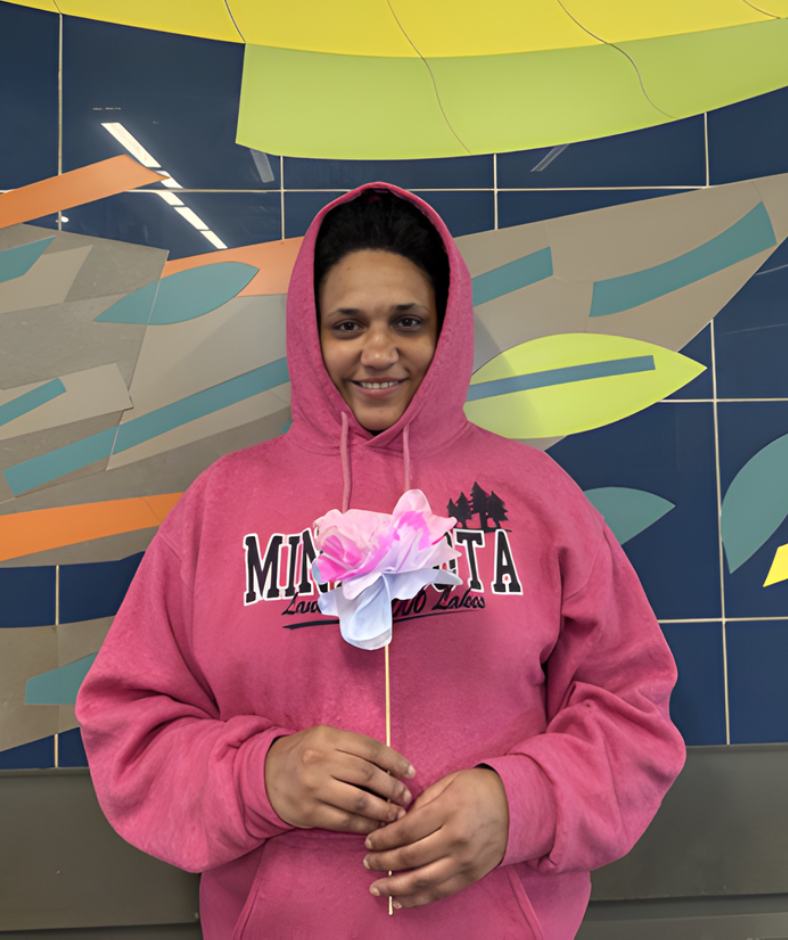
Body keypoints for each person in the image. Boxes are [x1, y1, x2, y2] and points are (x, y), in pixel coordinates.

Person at [76, 183, 685, 939]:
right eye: (347, 325)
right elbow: (127, 726)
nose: (377, 352)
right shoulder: (222, 502)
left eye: (407, 321)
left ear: (446, 329)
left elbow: (632, 708)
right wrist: (259, 777)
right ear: (309, 336)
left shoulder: (537, 495)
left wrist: (521, 803)